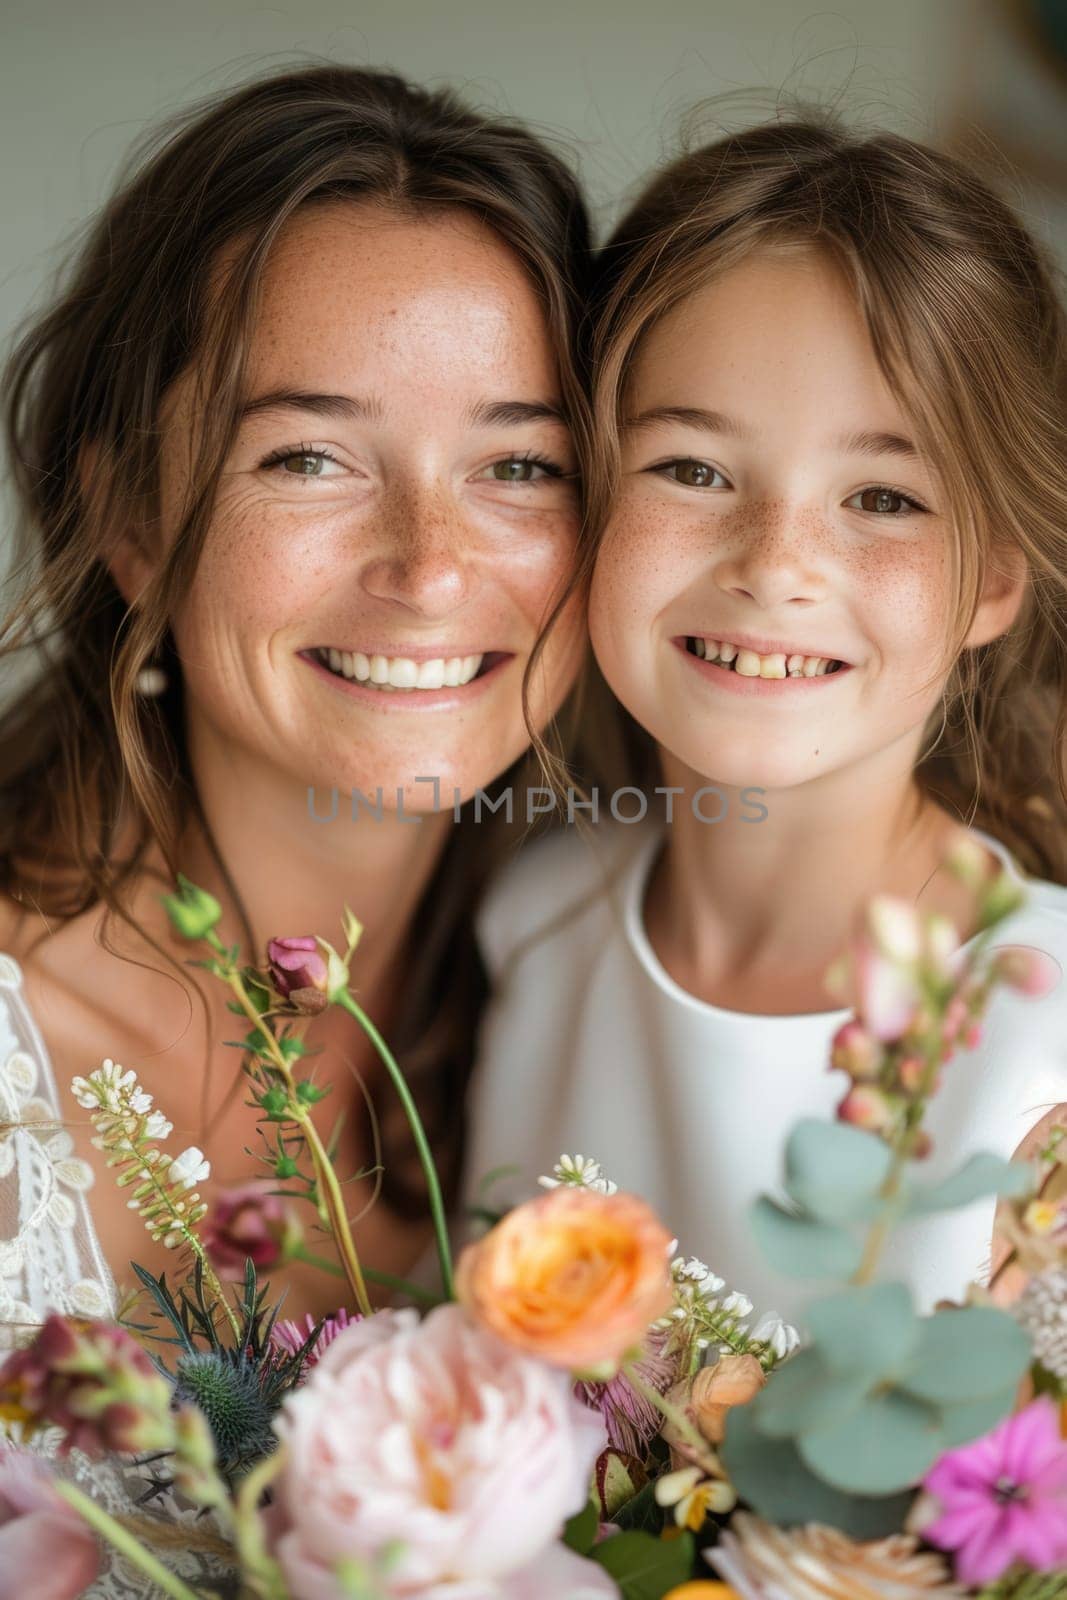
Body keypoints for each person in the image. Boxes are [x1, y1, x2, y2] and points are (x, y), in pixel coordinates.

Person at [0, 62, 597, 1335]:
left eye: (518, 464)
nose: (429, 567)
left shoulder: (597, 999)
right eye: (307, 457)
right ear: (130, 523)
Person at [462, 112, 1067, 1324]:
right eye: (690, 469)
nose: (776, 564)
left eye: (883, 497)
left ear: (993, 579)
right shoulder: (533, 922)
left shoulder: (1041, 1034)